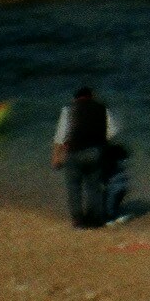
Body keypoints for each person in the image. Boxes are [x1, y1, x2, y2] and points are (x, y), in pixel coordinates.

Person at [50, 87, 118, 228]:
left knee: (74, 187)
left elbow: (60, 136)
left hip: (74, 151)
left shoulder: (69, 109)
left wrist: (56, 157)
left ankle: (78, 220)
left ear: (75, 98)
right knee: (94, 187)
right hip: (95, 152)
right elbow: (112, 132)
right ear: (91, 96)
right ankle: (95, 219)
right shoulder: (102, 109)